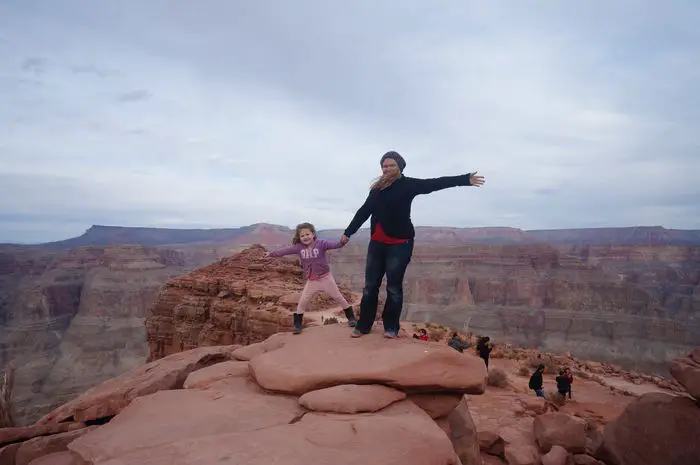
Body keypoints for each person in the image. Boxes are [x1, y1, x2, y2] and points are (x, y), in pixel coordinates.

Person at [340, 151, 485, 338]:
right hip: (377, 244)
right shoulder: (376, 188)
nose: (387, 169)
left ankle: (391, 327)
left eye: (391, 165)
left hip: (400, 245)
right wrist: (348, 232)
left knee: (393, 287)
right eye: (384, 166)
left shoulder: (408, 185)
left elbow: (436, 183)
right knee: (370, 287)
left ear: (400, 166)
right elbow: (364, 211)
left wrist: (465, 179)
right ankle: (363, 326)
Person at [266, 222, 356, 334]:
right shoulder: (298, 248)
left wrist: (342, 242)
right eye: (302, 236)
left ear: (313, 234)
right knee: (303, 301)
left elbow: (335, 245)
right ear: (299, 238)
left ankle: (351, 318)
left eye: (307, 234)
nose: (305, 237)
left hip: (326, 278)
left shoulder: (322, 244)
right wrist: (271, 254)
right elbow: (285, 251)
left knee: (338, 297)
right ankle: (297, 325)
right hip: (312, 281)